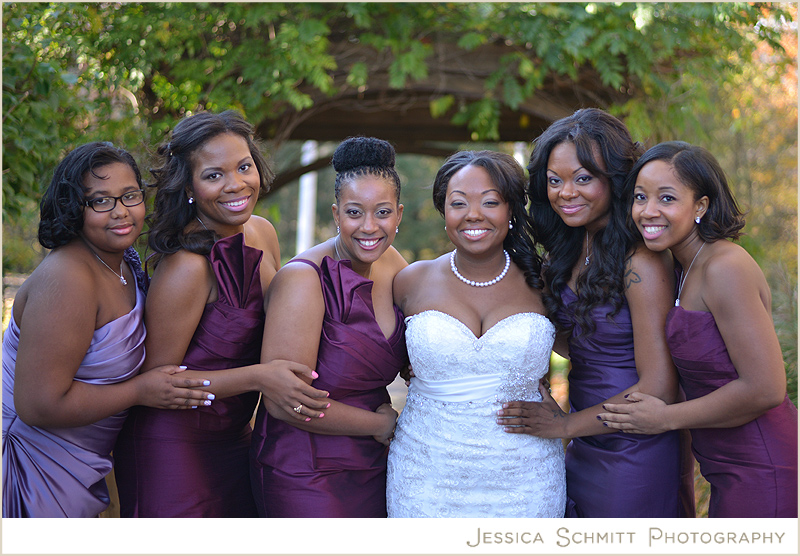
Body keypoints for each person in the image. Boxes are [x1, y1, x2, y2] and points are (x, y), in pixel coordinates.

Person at [113, 111, 328, 517]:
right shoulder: (187, 266)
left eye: (244, 167)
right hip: (173, 448)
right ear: (189, 187)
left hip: (237, 439)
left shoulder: (262, 231)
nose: (236, 184)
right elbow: (157, 382)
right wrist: (259, 377)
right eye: (214, 175)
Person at [499, 108, 692, 518]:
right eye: (555, 180)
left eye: (583, 178)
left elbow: (658, 385)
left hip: (635, 448)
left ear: (615, 181)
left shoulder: (640, 261)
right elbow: (576, 345)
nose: (566, 192)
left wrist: (566, 426)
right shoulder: (568, 251)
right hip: (585, 440)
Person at [2, 142, 210, 518]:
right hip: (32, 465)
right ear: (73, 207)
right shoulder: (68, 277)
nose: (121, 212)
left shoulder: (124, 261)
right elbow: (37, 405)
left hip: (83, 463)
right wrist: (141, 391)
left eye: (130, 195)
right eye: (101, 201)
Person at [597, 141, 798, 517]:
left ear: (700, 206)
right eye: (640, 197)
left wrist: (665, 418)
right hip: (722, 464)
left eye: (667, 198)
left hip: (763, 464)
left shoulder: (725, 266)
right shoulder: (681, 266)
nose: (648, 210)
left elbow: (767, 387)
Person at [386, 150, 566, 518]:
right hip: (425, 472)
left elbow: (598, 353)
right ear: (444, 212)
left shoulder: (546, 281)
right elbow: (373, 355)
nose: (473, 214)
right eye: (458, 203)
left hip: (526, 474)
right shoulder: (410, 281)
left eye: (490, 202)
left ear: (511, 210)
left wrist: (568, 419)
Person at [250, 136, 407, 518]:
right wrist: (379, 423)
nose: (369, 227)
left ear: (399, 215)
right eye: (355, 213)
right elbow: (285, 402)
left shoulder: (393, 264)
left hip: (374, 464)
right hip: (305, 469)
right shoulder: (302, 280)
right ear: (336, 214)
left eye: (382, 212)